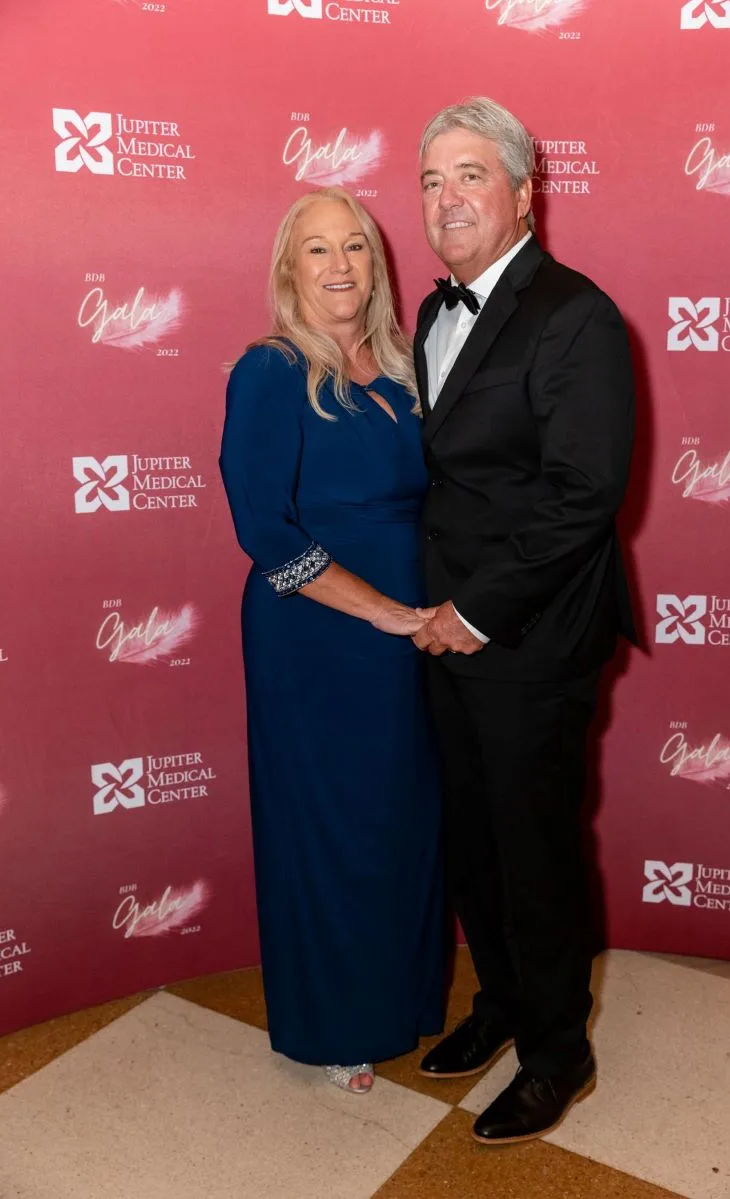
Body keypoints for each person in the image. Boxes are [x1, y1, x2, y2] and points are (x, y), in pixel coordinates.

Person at [412, 98, 635, 1143]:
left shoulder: (576, 313)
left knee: (535, 849)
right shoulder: (430, 315)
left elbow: (582, 494)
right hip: (442, 632)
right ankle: (500, 1001)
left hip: (533, 638)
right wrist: (434, 613)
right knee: (473, 838)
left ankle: (557, 1050)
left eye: (469, 175)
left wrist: (476, 610)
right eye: (430, 181)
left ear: (521, 193)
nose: (447, 198)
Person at [219, 187, 444, 1094]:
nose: (340, 264)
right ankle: (338, 1022)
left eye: (354, 246)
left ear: (376, 265)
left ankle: (405, 998)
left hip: (412, 632)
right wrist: (383, 611)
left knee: (401, 818)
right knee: (330, 823)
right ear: (289, 269)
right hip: (313, 637)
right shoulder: (271, 370)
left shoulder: (406, 370)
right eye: (317, 249)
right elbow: (264, 530)